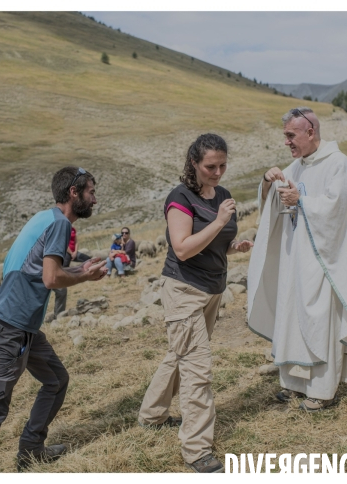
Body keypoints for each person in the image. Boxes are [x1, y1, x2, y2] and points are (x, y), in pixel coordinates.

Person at [0, 167, 108, 473]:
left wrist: (80, 271)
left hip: (22, 326)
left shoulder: (45, 217)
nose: (95, 200)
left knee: (56, 380)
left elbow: (38, 272)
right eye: (91, 192)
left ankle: (31, 450)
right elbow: (51, 278)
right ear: (73, 193)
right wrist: (83, 277)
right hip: (13, 327)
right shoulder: (60, 224)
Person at [138, 134, 253, 473]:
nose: (217, 173)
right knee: (197, 368)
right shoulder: (180, 197)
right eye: (210, 166)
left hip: (213, 290)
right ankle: (197, 450)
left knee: (181, 353)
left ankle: (152, 415)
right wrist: (218, 221)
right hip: (184, 289)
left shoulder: (224, 195)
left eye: (222, 165)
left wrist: (234, 247)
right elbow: (184, 248)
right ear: (194, 163)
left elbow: (215, 244)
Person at [247, 107, 347, 412]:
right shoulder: (296, 166)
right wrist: (268, 182)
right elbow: (275, 202)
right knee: (293, 315)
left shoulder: (338, 163)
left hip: (324, 261)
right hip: (295, 260)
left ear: (310, 132)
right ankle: (294, 384)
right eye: (285, 135)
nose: (286, 142)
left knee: (319, 319)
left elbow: (337, 210)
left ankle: (322, 390)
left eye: (291, 135)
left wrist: (303, 201)